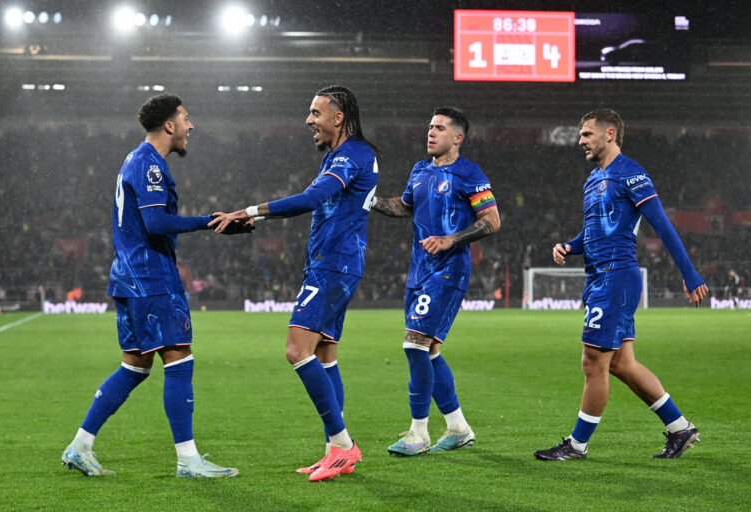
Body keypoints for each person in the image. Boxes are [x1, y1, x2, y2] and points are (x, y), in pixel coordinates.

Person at [62, 93, 250, 478]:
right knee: (179, 356)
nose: (190, 125)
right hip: (151, 277)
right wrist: (210, 221)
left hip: (129, 276)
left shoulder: (135, 159)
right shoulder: (148, 164)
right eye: (185, 118)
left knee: (135, 365)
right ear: (169, 125)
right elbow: (156, 223)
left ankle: (80, 445)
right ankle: (188, 460)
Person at [211, 85, 379, 481]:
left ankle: (343, 444)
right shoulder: (349, 155)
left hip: (333, 265)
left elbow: (312, 198)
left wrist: (250, 210)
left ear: (338, 118)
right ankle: (334, 451)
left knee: (295, 349)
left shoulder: (351, 155)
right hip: (337, 262)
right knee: (324, 355)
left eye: (315, 113)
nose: (309, 120)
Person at [533, 109, 709, 461]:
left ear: (609, 133)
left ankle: (577, 445)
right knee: (622, 364)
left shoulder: (631, 173)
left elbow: (663, 225)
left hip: (617, 276)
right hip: (600, 276)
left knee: (593, 361)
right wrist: (570, 245)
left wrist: (690, 275)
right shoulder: (592, 180)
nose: (580, 141)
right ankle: (680, 428)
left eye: (586, 134)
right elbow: (595, 231)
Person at [371, 107, 500, 456]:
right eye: (430, 127)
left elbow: (491, 220)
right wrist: (371, 200)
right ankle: (458, 428)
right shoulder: (420, 170)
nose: (431, 133)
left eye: (440, 128)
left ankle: (418, 433)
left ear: (457, 138)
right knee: (428, 350)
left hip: (449, 270)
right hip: (419, 271)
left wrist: (450, 239)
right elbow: (404, 206)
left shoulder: (469, 173)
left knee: (413, 345)